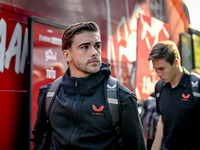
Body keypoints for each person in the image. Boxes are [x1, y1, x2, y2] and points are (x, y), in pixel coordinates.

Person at [31, 21, 146, 150]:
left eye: (97, 46)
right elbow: (39, 139)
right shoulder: (49, 94)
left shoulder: (122, 98)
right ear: (67, 55)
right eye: (85, 47)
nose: (94, 52)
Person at [148, 40, 200, 150]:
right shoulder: (159, 87)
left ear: (176, 62)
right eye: (156, 69)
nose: (159, 74)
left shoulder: (196, 85)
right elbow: (162, 121)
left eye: (162, 69)